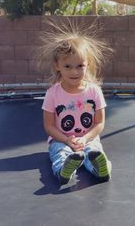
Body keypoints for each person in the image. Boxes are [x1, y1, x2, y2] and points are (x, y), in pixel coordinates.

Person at [40, 19, 112, 185]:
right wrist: (66, 140)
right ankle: (63, 170)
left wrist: (85, 139)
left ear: (88, 65)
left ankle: (101, 169)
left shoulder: (94, 91)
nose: (74, 71)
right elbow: (49, 126)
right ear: (57, 65)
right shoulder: (52, 94)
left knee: (93, 151)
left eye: (80, 65)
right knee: (60, 152)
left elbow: (99, 123)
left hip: (88, 138)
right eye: (68, 66)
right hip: (61, 139)